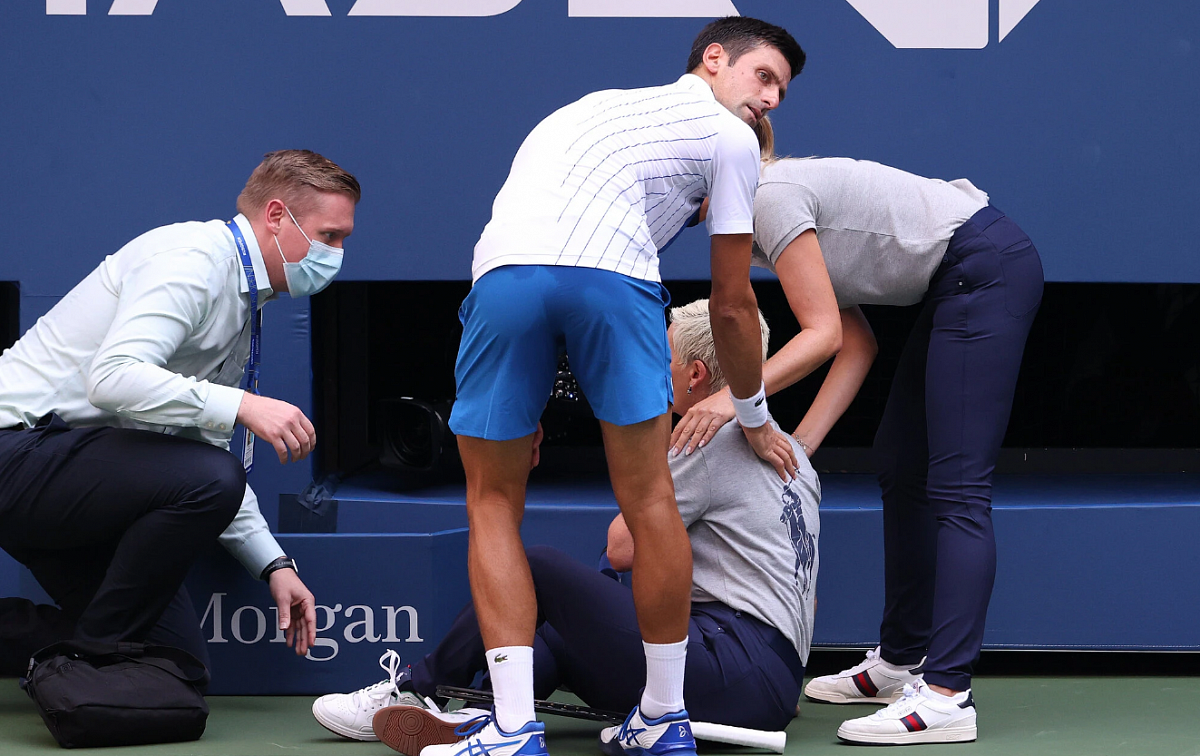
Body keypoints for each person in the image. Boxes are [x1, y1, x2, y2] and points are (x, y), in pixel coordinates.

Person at [438, 16, 806, 756]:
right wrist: (752, 413)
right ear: (712, 60)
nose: (770, 100)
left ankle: (512, 730)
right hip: (612, 285)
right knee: (649, 501)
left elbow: (549, 263)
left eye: (780, 91)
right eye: (763, 78)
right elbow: (734, 305)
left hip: (505, 279)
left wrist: (531, 391)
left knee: (491, 501)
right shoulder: (733, 139)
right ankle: (663, 719)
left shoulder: (586, 110)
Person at [670, 117, 1044, 745]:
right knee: (901, 463)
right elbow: (858, 342)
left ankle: (949, 693)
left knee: (957, 490)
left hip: (984, 268)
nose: (684, 204)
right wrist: (800, 448)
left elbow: (824, 337)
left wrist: (739, 404)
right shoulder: (766, 213)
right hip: (958, 279)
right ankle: (902, 661)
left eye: (687, 186)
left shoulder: (770, 199)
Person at [312, 299, 820, 756]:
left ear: (695, 375)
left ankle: (417, 685)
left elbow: (622, 548)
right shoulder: (794, 452)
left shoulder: (706, 438)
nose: (653, 371)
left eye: (661, 359)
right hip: (771, 684)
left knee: (538, 569)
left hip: (727, 666)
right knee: (556, 633)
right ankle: (483, 711)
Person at [0, 149, 360, 678]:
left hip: (73, 484)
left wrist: (273, 564)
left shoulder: (245, 299)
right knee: (212, 476)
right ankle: (93, 655)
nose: (337, 253)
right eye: (329, 236)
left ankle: (86, 653)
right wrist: (243, 404)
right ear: (278, 216)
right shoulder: (192, 261)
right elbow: (112, 376)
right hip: (17, 453)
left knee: (175, 665)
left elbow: (199, 456)